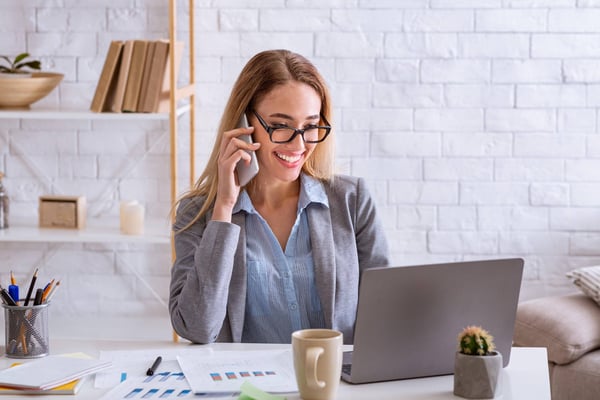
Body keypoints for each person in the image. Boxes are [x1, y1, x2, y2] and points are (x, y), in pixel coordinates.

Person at [169, 49, 389, 344]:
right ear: (244, 124)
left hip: (334, 386)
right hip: (247, 388)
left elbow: (387, 315)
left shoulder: (352, 201)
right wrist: (223, 207)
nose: (299, 144)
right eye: (282, 126)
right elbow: (197, 328)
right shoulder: (197, 214)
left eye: (310, 126)